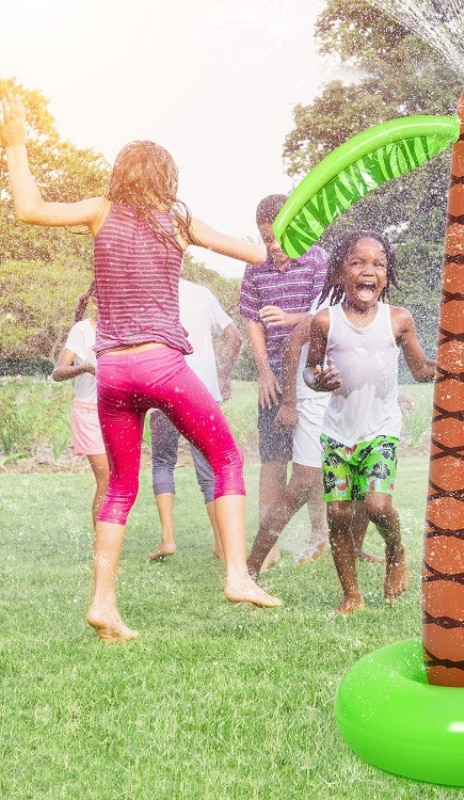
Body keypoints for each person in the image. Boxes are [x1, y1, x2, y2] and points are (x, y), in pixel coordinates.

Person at [0, 94, 279, 642]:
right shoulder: (176, 220)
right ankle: (238, 575)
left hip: (112, 375)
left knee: (121, 486)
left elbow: (30, 208)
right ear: (167, 178)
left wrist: (15, 143)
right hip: (161, 365)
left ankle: (103, 603)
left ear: (120, 175)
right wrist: (271, 236)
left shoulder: (99, 211)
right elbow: (258, 257)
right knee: (226, 456)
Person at [303, 231, 436, 614]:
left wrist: (455, 361)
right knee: (338, 513)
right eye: (358, 262)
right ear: (341, 271)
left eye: (379, 264)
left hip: (381, 430)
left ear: (387, 274)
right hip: (337, 433)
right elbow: (311, 370)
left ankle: (396, 552)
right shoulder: (325, 321)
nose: (369, 270)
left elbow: (421, 369)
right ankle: (352, 593)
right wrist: (318, 379)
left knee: (377, 506)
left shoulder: (397, 320)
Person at [246, 295, 373, 578]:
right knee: (302, 483)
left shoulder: (374, 309)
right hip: (313, 401)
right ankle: (252, 565)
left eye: (379, 264)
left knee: (361, 480)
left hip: (347, 401)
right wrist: (290, 404)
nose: (369, 270)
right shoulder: (329, 301)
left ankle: (355, 549)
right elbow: (291, 347)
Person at [239, 194, 328, 567]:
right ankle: (269, 542)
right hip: (274, 377)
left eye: (277, 238)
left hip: (311, 374)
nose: (272, 247)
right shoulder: (256, 268)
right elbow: (253, 321)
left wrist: (291, 319)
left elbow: (324, 315)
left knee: (311, 462)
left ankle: (320, 534)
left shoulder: (317, 258)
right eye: (265, 239)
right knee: (273, 460)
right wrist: (262, 372)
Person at [149, 277, 243, 563]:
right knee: (210, 470)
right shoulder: (201, 293)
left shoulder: (147, 292)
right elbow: (235, 336)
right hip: (201, 392)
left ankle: (168, 538)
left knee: (163, 463)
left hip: (161, 388)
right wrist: (223, 375)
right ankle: (220, 543)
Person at [52, 283, 109, 526]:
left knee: (120, 481)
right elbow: (58, 372)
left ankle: (110, 541)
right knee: (106, 480)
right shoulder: (82, 330)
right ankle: (102, 548)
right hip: (89, 413)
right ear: (95, 302)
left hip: (117, 412)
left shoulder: (124, 329)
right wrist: (85, 368)